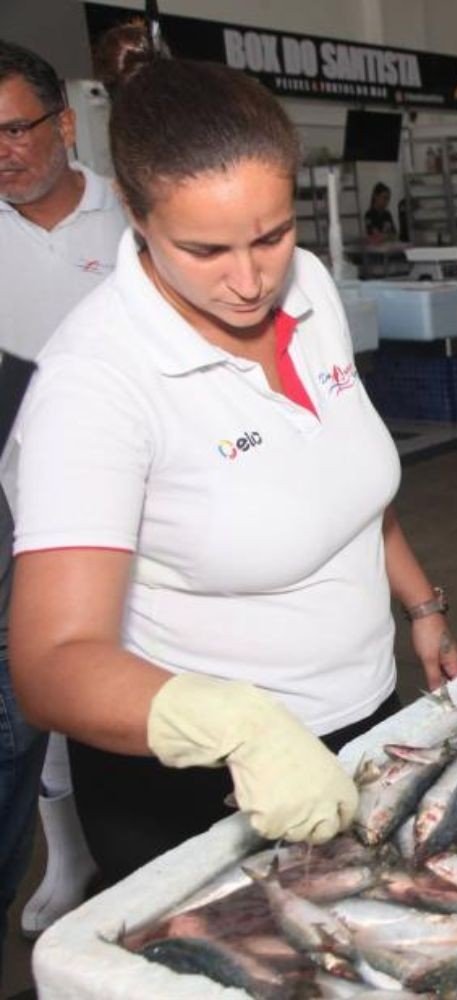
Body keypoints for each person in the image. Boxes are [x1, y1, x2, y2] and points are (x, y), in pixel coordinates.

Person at [7, 26, 457, 893]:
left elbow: (346, 480)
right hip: (199, 784)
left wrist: (421, 605)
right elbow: (53, 661)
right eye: (206, 251)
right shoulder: (97, 382)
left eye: (272, 235)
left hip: (363, 717)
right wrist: (239, 726)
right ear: (134, 218)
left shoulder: (313, 288)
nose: (251, 279)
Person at [0, 38, 128, 957]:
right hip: (20, 503)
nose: (1, 149)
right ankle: (67, 852)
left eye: (15, 128)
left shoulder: (131, 218)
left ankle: (140, 836)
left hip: (137, 493)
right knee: (37, 672)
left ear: (64, 124)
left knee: (137, 656)